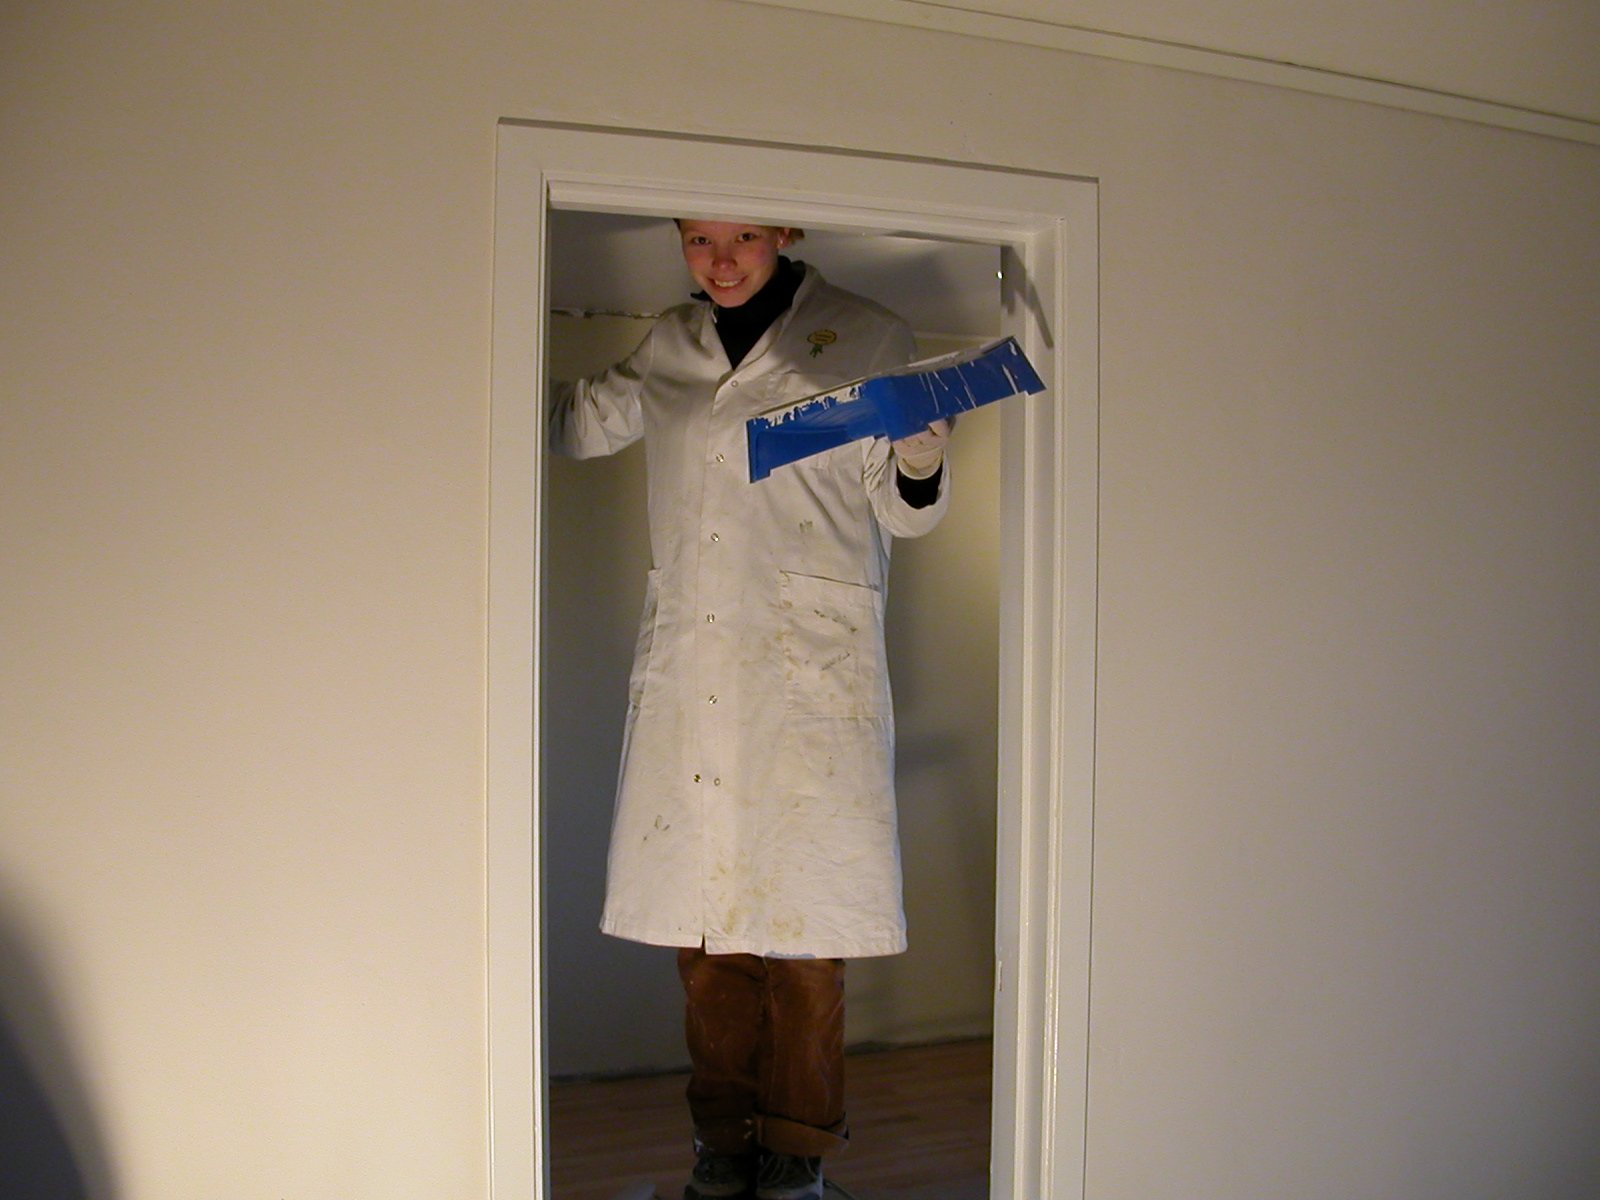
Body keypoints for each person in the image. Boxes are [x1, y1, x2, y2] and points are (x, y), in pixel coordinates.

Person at [549, 219, 951, 1200]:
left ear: (786, 233)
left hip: (811, 675)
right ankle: (720, 1149)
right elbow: (577, 426)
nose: (719, 261)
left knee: (806, 939)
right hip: (698, 669)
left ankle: (795, 1160)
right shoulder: (670, 344)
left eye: (740, 238)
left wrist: (920, 456)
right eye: (697, 240)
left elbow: (906, 512)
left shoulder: (869, 335)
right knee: (708, 939)